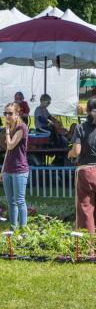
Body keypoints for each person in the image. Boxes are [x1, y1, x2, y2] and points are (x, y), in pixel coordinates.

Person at [0, 102, 30, 229]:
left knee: (19, 200)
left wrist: (6, 131)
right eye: (5, 113)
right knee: (11, 202)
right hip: (8, 169)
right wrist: (2, 170)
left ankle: (23, 229)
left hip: (19, 169)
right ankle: (13, 227)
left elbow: (11, 145)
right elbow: (8, 150)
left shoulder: (22, 127)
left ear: (17, 113)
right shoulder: (12, 128)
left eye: (10, 113)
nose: (7, 115)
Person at [68, 97, 96, 233]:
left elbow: (76, 151)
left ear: (87, 111)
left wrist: (70, 153)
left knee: (85, 210)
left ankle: (88, 248)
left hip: (86, 171)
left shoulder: (80, 127)